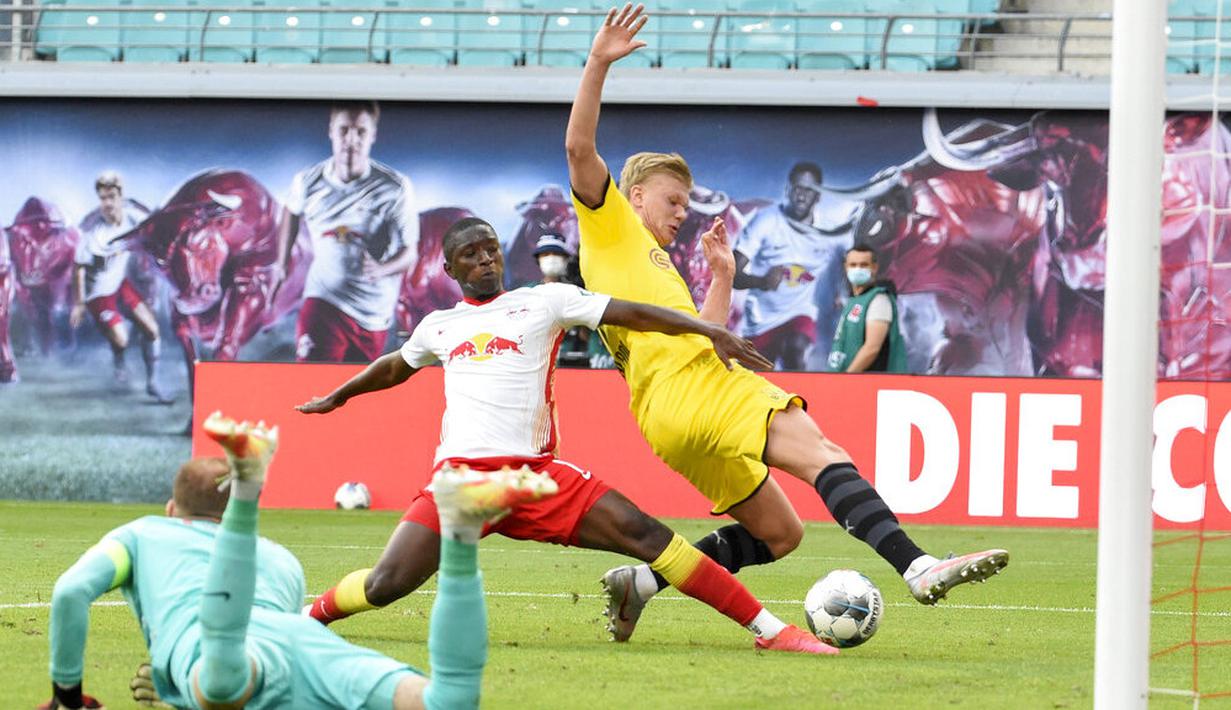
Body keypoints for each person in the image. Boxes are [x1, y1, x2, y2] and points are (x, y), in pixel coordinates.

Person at [565, 3, 1008, 642]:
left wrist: (719, 277)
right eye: (672, 200)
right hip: (699, 397)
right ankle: (917, 565)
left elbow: (705, 343)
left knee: (780, 533)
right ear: (634, 196)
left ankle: (640, 583)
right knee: (823, 453)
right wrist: (598, 62)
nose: (681, 212)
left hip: (667, 419)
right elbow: (580, 146)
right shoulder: (608, 226)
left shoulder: (653, 269)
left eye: (686, 203)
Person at [297, 217, 836, 655]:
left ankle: (771, 629)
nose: (485, 259)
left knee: (648, 536)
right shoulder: (438, 325)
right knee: (386, 584)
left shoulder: (545, 300)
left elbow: (635, 313)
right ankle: (308, 617)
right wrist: (339, 395)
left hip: (535, 476)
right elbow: (395, 365)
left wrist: (706, 328)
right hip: (458, 483)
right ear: (449, 267)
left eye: (491, 249)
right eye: (472, 254)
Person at [40, 411, 554, 710]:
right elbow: (277, 647)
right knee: (448, 701)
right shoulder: (280, 560)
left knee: (223, 680)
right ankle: (461, 535)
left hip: (219, 655)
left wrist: (68, 696)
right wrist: (176, 685)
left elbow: (69, 592)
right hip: (306, 644)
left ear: (172, 510)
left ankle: (248, 487)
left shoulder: (141, 533)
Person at [275, 101, 418, 363]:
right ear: (331, 131)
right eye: (343, 130)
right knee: (313, 390)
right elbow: (290, 210)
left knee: (353, 399)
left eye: (361, 132)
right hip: (324, 300)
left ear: (373, 135)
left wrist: (382, 269)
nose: (351, 140)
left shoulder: (395, 188)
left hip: (372, 313)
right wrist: (282, 263)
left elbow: (410, 253)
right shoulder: (308, 181)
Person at [69, 171, 171, 403]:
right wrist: (79, 303)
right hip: (98, 295)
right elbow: (78, 268)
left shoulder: (132, 217)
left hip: (120, 285)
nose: (107, 203)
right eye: (102, 198)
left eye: (112, 197)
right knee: (122, 340)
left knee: (152, 330)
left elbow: (156, 221)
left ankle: (153, 384)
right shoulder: (92, 232)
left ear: (120, 196)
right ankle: (119, 359)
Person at [734, 161, 846, 371]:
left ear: (818, 196)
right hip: (761, 322)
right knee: (753, 381)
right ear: (787, 190)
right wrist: (761, 281)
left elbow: (846, 263)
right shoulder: (765, 222)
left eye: (809, 190)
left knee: (795, 350)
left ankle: (801, 403)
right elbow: (731, 273)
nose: (801, 195)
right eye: (796, 188)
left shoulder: (829, 232)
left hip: (800, 315)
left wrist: (841, 292)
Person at [827, 244, 908, 373]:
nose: (857, 269)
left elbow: (872, 348)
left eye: (864, 265)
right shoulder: (853, 301)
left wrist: (845, 379)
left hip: (868, 383)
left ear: (874, 268)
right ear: (845, 267)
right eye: (853, 265)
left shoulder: (878, 299)